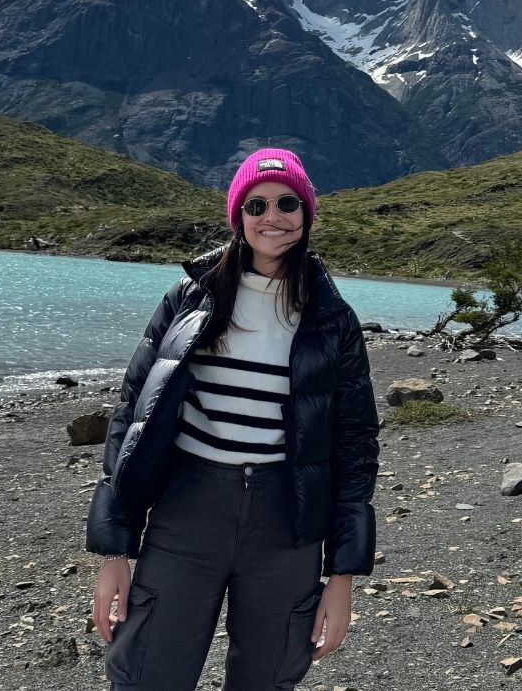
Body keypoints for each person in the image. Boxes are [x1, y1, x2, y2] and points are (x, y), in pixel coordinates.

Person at [86, 147, 380, 690]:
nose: (273, 216)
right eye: (256, 204)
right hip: (186, 511)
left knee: (267, 680)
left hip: (286, 523)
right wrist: (113, 550)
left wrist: (341, 579)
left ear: (306, 213)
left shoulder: (332, 319)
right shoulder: (190, 298)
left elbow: (355, 448)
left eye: (288, 202)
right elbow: (132, 418)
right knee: (148, 673)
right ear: (238, 216)